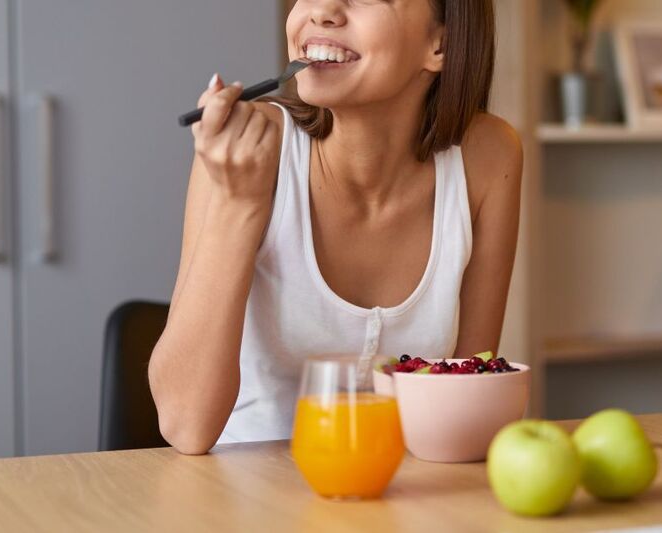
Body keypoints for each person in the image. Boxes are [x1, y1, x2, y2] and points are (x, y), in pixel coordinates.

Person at [149, 0, 521, 454]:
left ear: (440, 44)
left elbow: (469, 398)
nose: (322, 9)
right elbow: (184, 425)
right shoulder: (246, 151)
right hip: (240, 487)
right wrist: (238, 203)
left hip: (401, 485)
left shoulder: (488, 156)